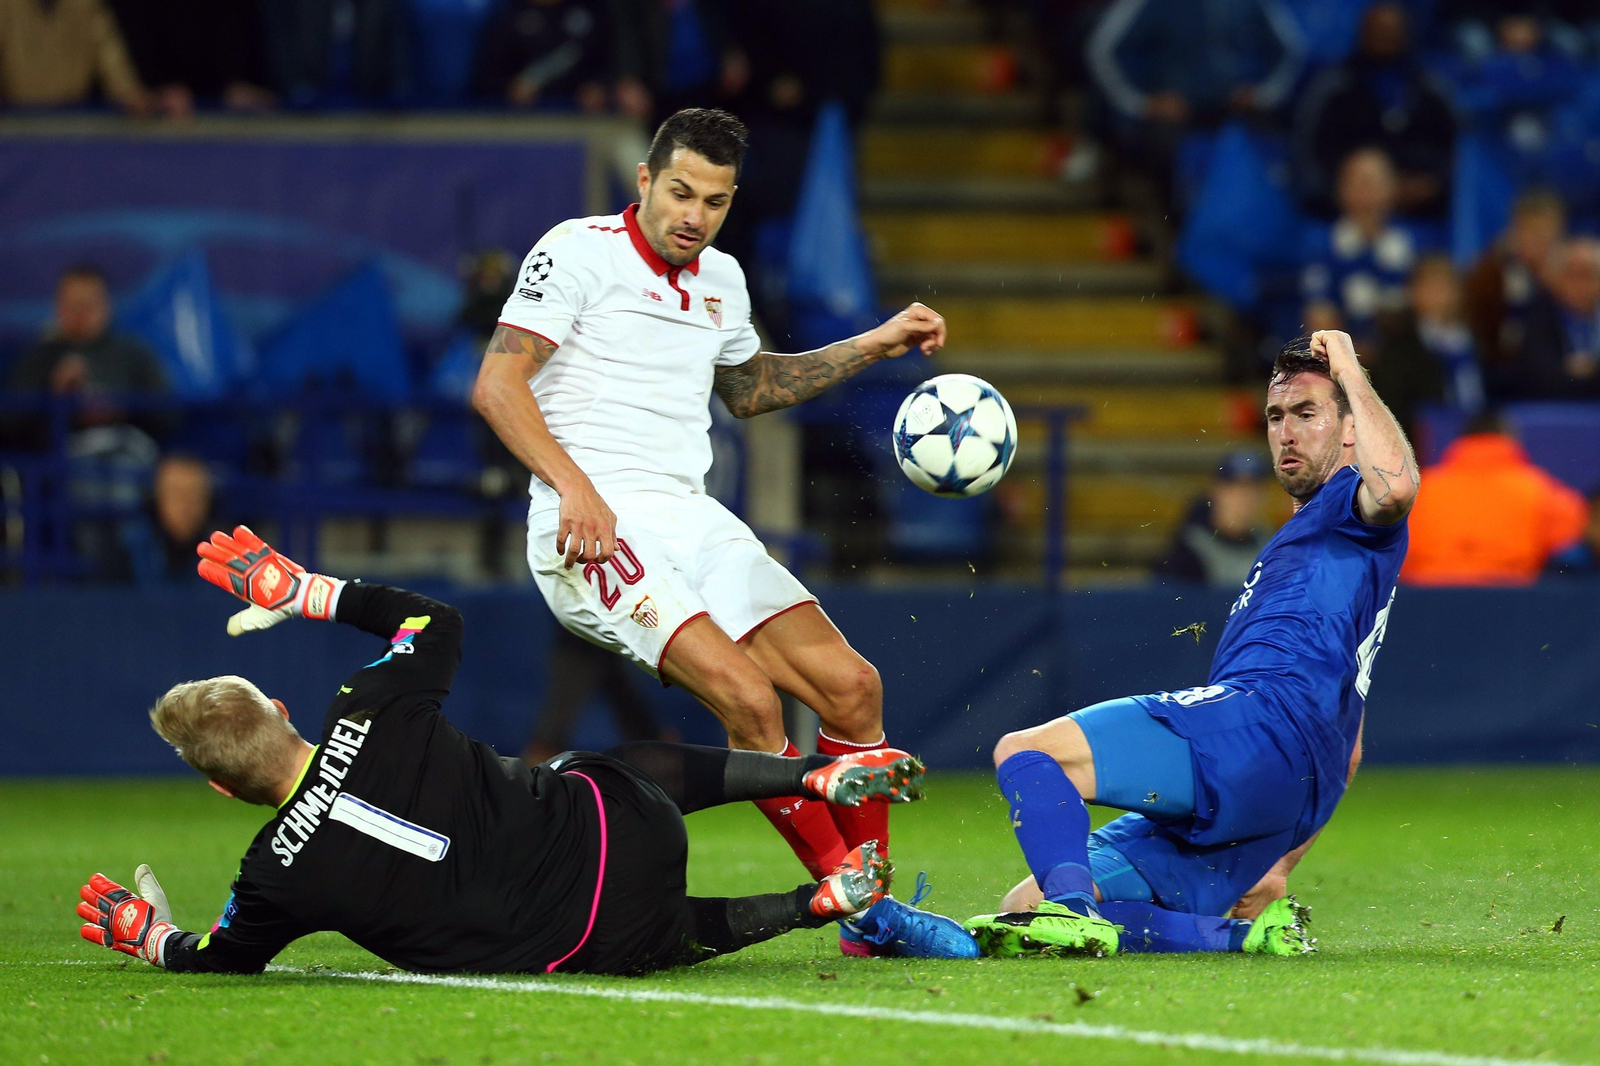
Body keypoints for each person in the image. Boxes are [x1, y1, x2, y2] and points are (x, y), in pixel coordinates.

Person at [471, 108, 946, 963]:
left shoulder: (723, 279)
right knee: (752, 702)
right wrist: (573, 484)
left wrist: (875, 343)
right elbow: (499, 384)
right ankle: (869, 913)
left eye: (715, 202)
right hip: (589, 523)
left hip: (689, 515)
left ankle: (867, 908)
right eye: (680, 192)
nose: (693, 215)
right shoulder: (575, 250)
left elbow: (750, 387)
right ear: (645, 181)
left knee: (851, 689)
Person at [76, 526, 923, 976]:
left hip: (587, 938)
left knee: (667, 934)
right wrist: (305, 591)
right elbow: (432, 622)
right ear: (285, 711)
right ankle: (812, 770)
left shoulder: (269, 879)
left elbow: (223, 958)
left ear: (223, 792)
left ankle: (806, 904)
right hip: (617, 827)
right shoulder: (368, 709)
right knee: (611, 769)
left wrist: (149, 936)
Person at [962, 330, 1415, 958]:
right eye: (1276, 416)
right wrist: (1282, 861)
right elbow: (1351, 746)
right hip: (1284, 788)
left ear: (1348, 431)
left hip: (1258, 727)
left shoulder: (1353, 504)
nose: (1286, 431)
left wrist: (1349, 371)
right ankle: (1240, 939)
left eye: (1307, 414)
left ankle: (1074, 917)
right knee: (1021, 908)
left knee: (1025, 752)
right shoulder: (1321, 557)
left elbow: (1395, 486)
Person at [1291, 2, 1456, 218]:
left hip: (1424, 211)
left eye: (1392, 31)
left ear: (1407, 34)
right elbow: (1309, 159)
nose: (1386, 38)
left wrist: (1434, 185)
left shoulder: (1431, 89)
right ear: (1362, 33)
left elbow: (1458, 151)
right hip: (1343, 213)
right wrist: (1350, 194)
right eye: (1378, 31)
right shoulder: (1333, 89)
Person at [1401, 412, 1585, 586]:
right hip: (1510, 604)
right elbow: (1573, 530)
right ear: (1509, 437)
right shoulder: (1542, 490)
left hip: (1424, 603)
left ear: (1462, 440)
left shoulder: (1418, 489)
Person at [1301, 148, 1419, 348]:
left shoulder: (1415, 242)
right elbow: (1319, 318)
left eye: (1373, 182)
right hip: (1349, 359)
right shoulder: (1323, 246)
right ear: (1340, 189)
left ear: (1393, 187)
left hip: (1410, 355)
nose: (1366, 191)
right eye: (1358, 182)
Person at [1370, 255, 1485, 438]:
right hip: (1424, 450)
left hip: (1479, 443)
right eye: (1431, 287)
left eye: (1446, 287)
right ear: (1414, 293)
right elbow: (1391, 410)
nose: (1440, 296)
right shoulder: (1398, 349)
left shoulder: (1475, 341)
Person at [521, 625, 670, 765]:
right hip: (583, 636)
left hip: (608, 633)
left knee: (635, 714)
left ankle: (659, 758)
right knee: (553, 725)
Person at [1463, 188, 1566, 373]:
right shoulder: (1492, 273)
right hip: (1506, 373)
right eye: (1531, 231)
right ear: (1514, 232)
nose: (1539, 240)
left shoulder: (1570, 274)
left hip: (1557, 374)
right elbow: (1483, 337)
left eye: (1545, 232)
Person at [0, 0, 159, 114]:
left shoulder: (85, 4)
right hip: (16, 116)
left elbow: (109, 54)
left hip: (73, 117)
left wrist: (135, 96)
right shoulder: (7, 5)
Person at [1152, 450, 1274, 588]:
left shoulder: (1269, 544)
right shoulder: (1189, 550)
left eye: (1253, 489)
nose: (1244, 498)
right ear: (1216, 491)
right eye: (1234, 487)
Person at [470, 0, 616, 112]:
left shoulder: (590, 13)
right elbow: (486, 77)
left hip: (582, 117)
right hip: (524, 121)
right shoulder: (507, 18)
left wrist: (598, 85)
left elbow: (608, 62)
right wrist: (510, 89)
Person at [1518, 237, 1600, 398]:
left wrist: (1590, 369)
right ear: (1556, 279)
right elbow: (1541, 379)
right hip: (1554, 415)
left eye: (1588, 274)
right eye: (1572, 275)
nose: (1580, 285)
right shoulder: (1538, 321)